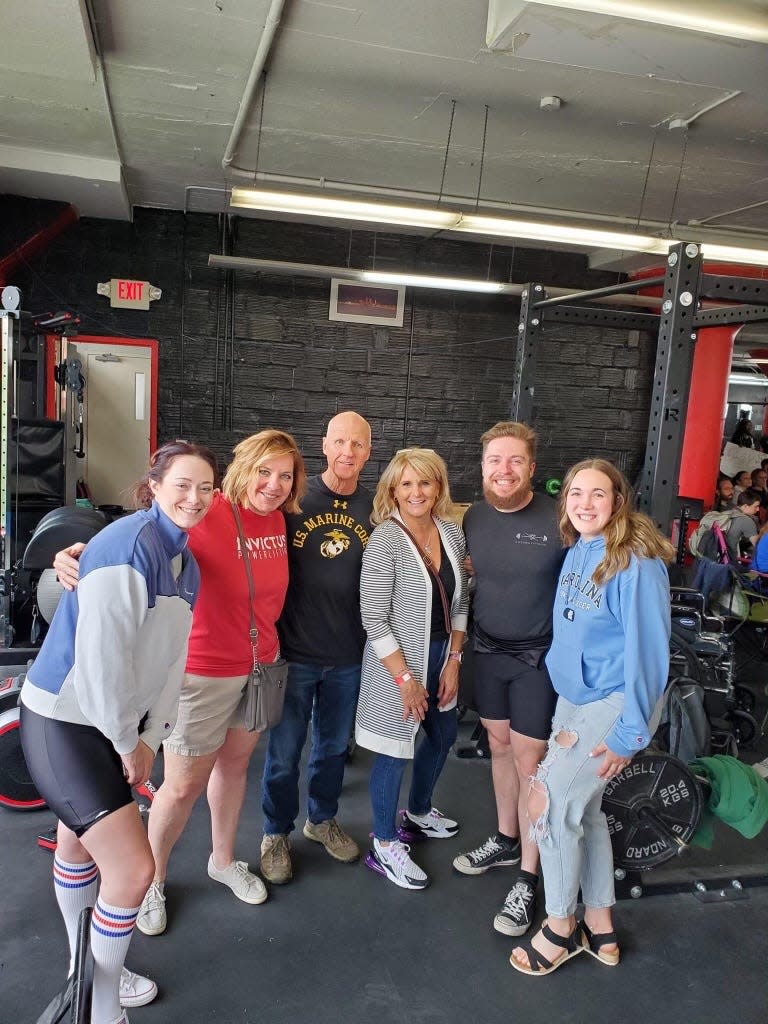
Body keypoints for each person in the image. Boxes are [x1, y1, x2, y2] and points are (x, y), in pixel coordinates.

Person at [53, 429, 306, 937]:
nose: (274, 485)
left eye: (284, 476)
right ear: (242, 469)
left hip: (258, 668)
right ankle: (152, 881)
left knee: (233, 770)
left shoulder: (279, 519)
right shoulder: (207, 510)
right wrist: (76, 553)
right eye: (264, 471)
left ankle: (221, 860)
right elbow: (141, 534)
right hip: (202, 672)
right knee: (181, 786)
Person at [21, 440, 218, 1024]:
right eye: (182, 484)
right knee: (133, 872)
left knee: (79, 842)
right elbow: (102, 662)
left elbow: (168, 663)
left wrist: (152, 736)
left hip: (109, 725)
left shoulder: (187, 565)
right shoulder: (126, 544)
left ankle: (84, 971)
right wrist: (129, 744)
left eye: (206, 487)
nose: (195, 497)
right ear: (153, 486)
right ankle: (101, 1009)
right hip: (65, 719)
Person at [510, 458, 673, 977]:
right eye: (576, 493)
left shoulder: (638, 562)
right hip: (575, 697)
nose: (584, 504)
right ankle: (599, 921)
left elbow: (650, 656)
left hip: (614, 705)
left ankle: (559, 925)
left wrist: (629, 734)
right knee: (587, 809)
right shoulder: (581, 549)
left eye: (597, 494)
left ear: (618, 501)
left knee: (549, 801)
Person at [452, 422, 563, 938]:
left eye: (515, 460)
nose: (504, 470)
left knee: (530, 761)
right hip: (486, 651)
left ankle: (528, 876)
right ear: (482, 466)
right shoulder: (473, 517)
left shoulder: (558, 519)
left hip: (537, 659)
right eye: (495, 460)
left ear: (532, 469)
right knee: (497, 747)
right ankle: (505, 836)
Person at [260, 411, 373, 883]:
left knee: (330, 749)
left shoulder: (376, 505)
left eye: (358, 445)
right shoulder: (294, 496)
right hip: (295, 652)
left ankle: (321, 820)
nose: (348, 453)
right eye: (340, 442)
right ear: (324, 445)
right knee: (284, 752)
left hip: (349, 654)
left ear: (369, 451)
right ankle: (274, 833)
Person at [356, 448, 468, 889]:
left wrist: (455, 660)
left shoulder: (451, 533)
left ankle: (418, 813)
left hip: (444, 655)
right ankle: (384, 844)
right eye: (406, 484)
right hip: (396, 662)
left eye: (425, 482)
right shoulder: (385, 539)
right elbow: (374, 616)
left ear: (438, 486)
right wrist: (405, 679)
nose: (416, 492)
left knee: (441, 736)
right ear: (393, 491)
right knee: (393, 749)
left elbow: (461, 603)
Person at [724, 488, 761, 562]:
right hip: (734, 561)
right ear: (745, 506)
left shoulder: (728, 513)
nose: (758, 509)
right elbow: (759, 547)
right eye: (756, 506)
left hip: (721, 558)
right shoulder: (746, 520)